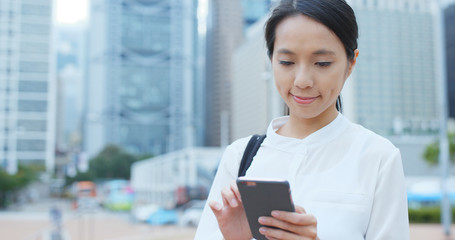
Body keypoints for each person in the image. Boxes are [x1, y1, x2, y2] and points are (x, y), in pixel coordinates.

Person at [195, 0, 410, 239]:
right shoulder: (239, 157)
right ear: (271, 60)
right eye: (287, 62)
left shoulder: (378, 158)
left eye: (322, 63)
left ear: (351, 63)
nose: (302, 80)